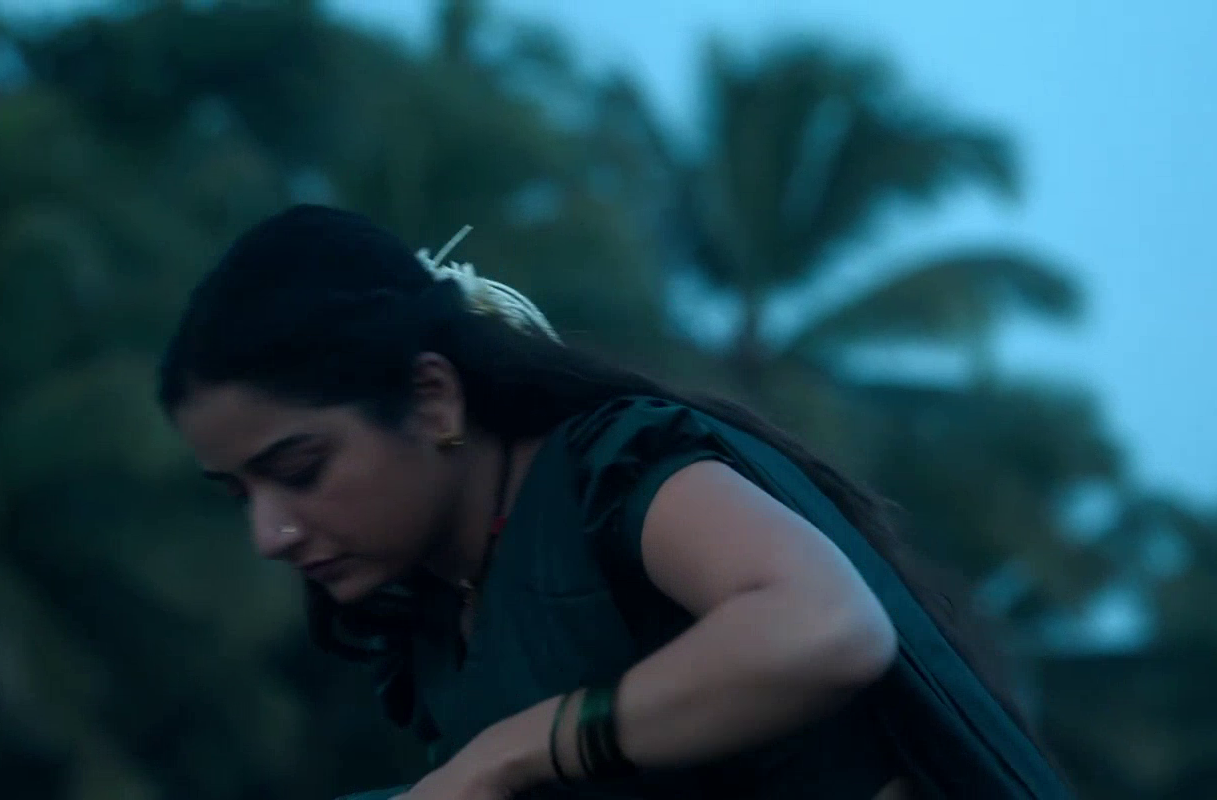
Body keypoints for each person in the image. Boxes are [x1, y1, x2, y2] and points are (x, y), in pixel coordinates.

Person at [157, 204, 1071, 800]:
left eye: (301, 468)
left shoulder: (610, 472)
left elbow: (828, 628)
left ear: (431, 398)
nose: (270, 533)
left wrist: (514, 752)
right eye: (241, 494)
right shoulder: (437, 634)